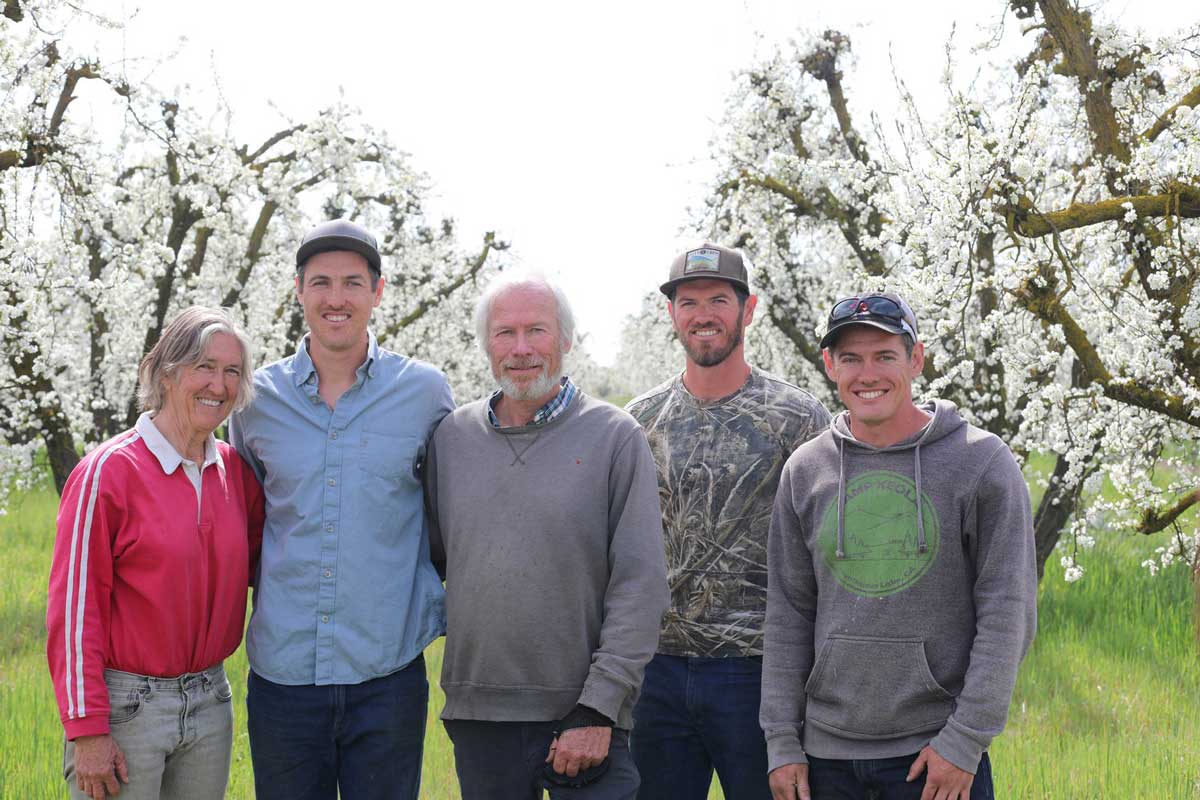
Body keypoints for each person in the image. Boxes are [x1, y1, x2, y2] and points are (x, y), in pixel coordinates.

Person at [761, 293, 1038, 800]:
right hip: (825, 760)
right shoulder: (805, 470)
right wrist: (782, 741)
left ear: (916, 359)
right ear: (829, 365)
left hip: (935, 758)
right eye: (851, 358)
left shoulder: (981, 464)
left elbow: (1008, 612)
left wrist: (964, 742)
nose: (868, 374)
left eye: (885, 356)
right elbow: (788, 613)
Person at [228, 219, 453, 800]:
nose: (336, 298)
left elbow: (445, 514)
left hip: (387, 673)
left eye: (353, 283)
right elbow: (244, 523)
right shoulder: (256, 401)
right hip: (284, 676)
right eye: (321, 282)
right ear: (299, 290)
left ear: (377, 292)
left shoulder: (426, 393)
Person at [425, 273, 669, 800]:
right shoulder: (451, 439)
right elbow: (444, 559)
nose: (520, 349)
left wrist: (600, 705)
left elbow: (641, 583)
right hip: (480, 713)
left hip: (583, 712)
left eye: (536, 330)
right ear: (485, 344)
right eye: (504, 333)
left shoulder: (614, 436)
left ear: (565, 340)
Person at [625, 244, 830, 799]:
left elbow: (825, 549)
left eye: (719, 299)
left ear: (749, 309)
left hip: (760, 674)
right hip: (657, 674)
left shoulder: (799, 417)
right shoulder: (638, 422)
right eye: (688, 301)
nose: (703, 314)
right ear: (671, 314)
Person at [46, 306, 264, 800]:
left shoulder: (234, 473)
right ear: (166, 372)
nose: (219, 384)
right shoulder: (107, 473)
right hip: (127, 709)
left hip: (211, 701)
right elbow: (74, 613)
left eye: (232, 371)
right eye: (204, 366)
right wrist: (87, 729)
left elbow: (270, 566)